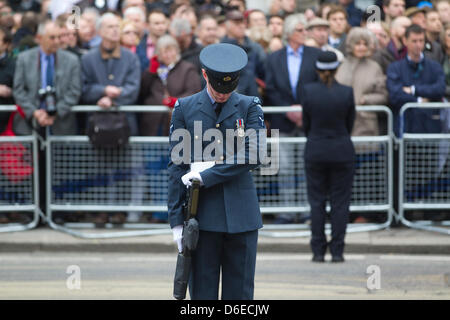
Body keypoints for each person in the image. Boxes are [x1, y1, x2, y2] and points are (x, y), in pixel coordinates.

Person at [167, 43, 266, 299]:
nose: (223, 94)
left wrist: (206, 175)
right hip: (202, 216)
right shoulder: (185, 108)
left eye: (229, 87)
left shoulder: (250, 106)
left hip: (241, 216)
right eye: (217, 87)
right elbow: (177, 166)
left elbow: (253, 154)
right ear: (204, 75)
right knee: (202, 296)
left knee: (240, 297)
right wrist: (176, 221)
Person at [13, 19, 81, 217]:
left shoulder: (71, 60)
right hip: (30, 124)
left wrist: (56, 112)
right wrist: (35, 112)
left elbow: (74, 92)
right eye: (52, 37)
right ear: (40, 38)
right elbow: (19, 90)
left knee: (59, 170)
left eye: (59, 37)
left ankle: (57, 213)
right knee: (32, 171)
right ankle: (33, 212)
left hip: (60, 123)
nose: (57, 41)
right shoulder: (25, 59)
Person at [265, 13, 321, 224]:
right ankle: (288, 211)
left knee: (307, 166)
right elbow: (271, 89)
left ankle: (308, 210)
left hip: (308, 121)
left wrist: (302, 110)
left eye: (305, 29)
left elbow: (318, 85)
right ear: (289, 33)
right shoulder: (274, 58)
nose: (305, 33)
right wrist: (287, 109)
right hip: (283, 120)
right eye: (300, 30)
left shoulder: (315, 55)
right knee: (286, 167)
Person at [302, 51, 356, 263]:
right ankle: (337, 251)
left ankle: (317, 251)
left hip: (316, 149)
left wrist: (316, 137)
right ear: (336, 68)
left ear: (317, 69)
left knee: (317, 202)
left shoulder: (308, 91)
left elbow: (306, 123)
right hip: (341, 150)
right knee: (340, 203)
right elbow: (349, 123)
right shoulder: (346, 92)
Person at [386, 24, 446, 136]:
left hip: (430, 128)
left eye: (421, 41)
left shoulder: (434, 66)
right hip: (404, 128)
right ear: (405, 41)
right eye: (414, 41)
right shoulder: (395, 68)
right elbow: (395, 94)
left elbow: (440, 89)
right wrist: (419, 101)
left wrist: (414, 90)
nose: (418, 45)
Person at [138, 34, 201, 136]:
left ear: (177, 51)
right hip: (153, 123)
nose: (168, 55)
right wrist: (150, 72)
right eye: (164, 52)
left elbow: (194, 92)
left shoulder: (187, 69)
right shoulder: (154, 70)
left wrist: (176, 102)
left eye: (171, 51)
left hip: (178, 123)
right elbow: (142, 91)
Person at [336, 27, 388, 138]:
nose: (361, 47)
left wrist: (365, 99)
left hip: (366, 124)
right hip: (341, 122)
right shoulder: (340, 66)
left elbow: (383, 95)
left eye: (365, 44)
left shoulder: (374, 67)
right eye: (358, 44)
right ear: (351, 45)